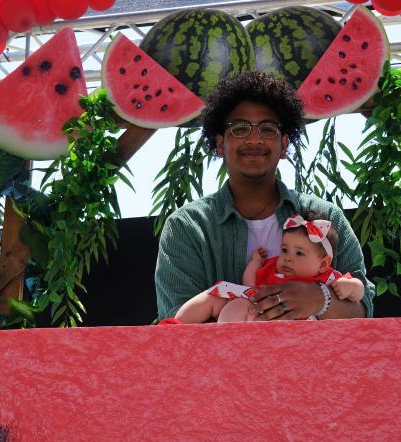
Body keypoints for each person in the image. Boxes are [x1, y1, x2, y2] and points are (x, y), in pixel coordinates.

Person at [155, 71, 374, 321]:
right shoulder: (186, 227)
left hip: (313, 360)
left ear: (283, 145)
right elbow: (174, 325)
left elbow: (364, 309)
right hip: (223, 361)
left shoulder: (327, 218)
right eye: (239, 128)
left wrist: (318, 300)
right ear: (219, 144)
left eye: (268, 129)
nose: (255, 139)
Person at [175, 214, 365, 323]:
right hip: (257, 309)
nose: (288, 257)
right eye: (284, 250)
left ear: (323, 263)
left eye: (299, 253)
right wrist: (256, 262)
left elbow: (359, 293)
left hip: (298, 328)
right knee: (220, 293)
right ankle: (175, 326)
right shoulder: (275, 267)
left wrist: (351, 287)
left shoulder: (327, 278)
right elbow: (250, 284)